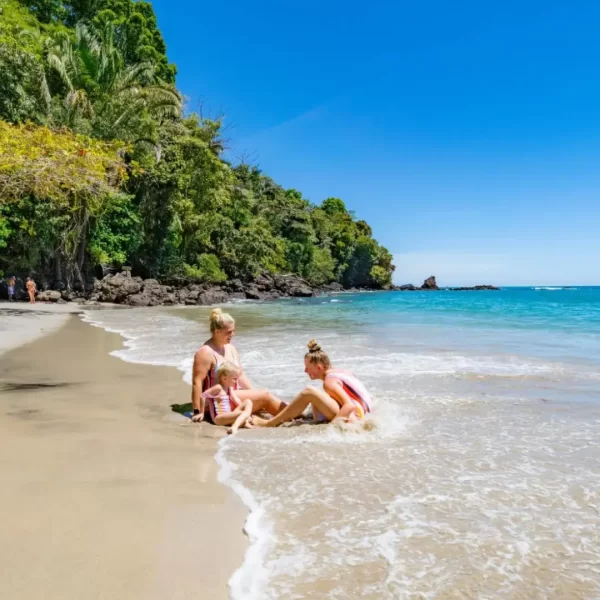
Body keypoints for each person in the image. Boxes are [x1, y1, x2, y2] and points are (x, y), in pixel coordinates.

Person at [190, 308, 286, 423]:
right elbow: (197, 382)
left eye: (233, 331)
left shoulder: (231, 348)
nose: (233, 335)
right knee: (265, 396)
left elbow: (239, 375)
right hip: (217, 402)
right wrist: (197, 411)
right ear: (217, 332)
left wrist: (253, 392)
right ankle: (296, 416)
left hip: (233, 396)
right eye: (229, 332)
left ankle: (297, 414)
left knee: (263, 395)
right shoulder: (205, 352)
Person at [251, 339, 373, 428]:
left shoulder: (329, 382)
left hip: (354, 416)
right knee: (317, 399)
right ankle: (298, 415)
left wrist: (332, 429)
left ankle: (269, 423)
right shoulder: (343, 372)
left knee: (309, 392)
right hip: (363, 412)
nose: (305, 371)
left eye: (307, 367)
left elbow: (349, 405)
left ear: (319, 367)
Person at [201, 361, 254, 435]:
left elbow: (236, 400)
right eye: (234, 379)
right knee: (242, 414)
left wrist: (247, 413)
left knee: (248, 401)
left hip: (228, 415)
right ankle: (235, 426)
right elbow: (203, 395)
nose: (236, 382)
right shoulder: (218, 388)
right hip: (219, 418)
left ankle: (244, 420)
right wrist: (201, 413)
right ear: (224, 378)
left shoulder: (228, 388)